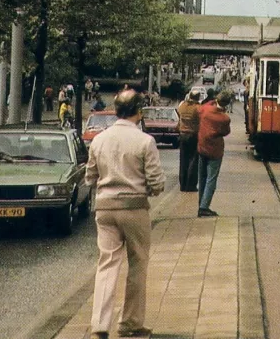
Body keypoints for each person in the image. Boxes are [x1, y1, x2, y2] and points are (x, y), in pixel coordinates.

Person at [85, 89, 165, 339]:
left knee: (107, 264)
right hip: (135, 208)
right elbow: (156, 181)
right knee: (138, 264)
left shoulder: (99, 139)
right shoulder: (145, 141)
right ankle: (130, 323)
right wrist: (150, 188)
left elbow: (90, 176)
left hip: (105, 209)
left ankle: (99, 325)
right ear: (139, 112)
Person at [197, 91, 232, 217]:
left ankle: (201, 203)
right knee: (211, 179)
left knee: (202, 178)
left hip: (202, 147)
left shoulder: (205, 110)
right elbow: (226, 132)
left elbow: (205, 105)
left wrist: (214, 101)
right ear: (227, 104)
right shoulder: (224, 118)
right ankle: (204, 207)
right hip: (215, 150)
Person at [177, 92, 201, 193]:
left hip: (182, 135)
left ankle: (182, 184)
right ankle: (190, 185)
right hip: (193, 135)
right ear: (197, 98)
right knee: (193, 161)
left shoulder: (182, 106)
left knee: (183, 161)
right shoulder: (198, 108)